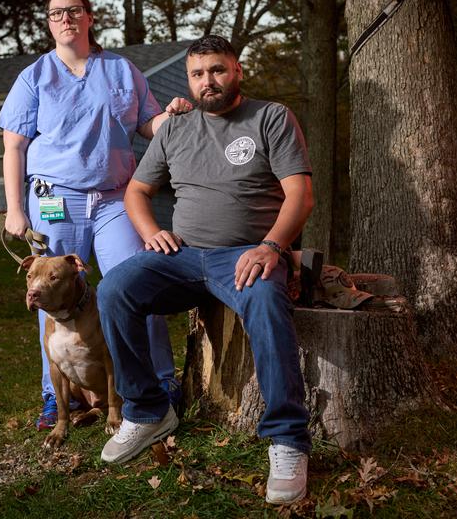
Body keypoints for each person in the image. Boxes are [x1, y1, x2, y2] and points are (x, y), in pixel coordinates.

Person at [96, 35, 313, 505]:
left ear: (236, 70)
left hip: (247, 254)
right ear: (189, 80)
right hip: (183, 256)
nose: (207, 81)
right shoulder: (175, 128)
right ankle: (149, 411)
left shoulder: (270, 117)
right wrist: (152, 231)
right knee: (114, 289)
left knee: (266, 302)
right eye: (197, 73)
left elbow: (300, 193)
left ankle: (288, 439)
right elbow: (136, 191)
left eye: (216, 70)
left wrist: (272, 246)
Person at [0, 0, 187, 431]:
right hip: (54, 197)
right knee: (51, 294)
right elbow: (13, 147)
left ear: (89, 17)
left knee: (139, 281)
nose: (65, 18)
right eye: (55, 13)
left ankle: (159, 381)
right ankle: (56, 396)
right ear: (49, 23)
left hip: (114, 197)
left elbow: (147, 123)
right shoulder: (34, 77)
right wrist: (14, 208)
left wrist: (171, 117)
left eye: (73, 10)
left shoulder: (121, 70)